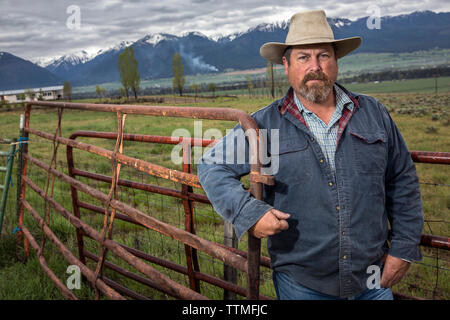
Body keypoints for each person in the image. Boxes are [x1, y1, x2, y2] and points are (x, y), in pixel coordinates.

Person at [197, 10, 424, 300]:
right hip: (302, 284)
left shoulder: (374, 113)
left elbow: (402, 179)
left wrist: (403, 249)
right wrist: (250, 213)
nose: (315, 67)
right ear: (286, 65)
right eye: (303, 57)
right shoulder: (263, 124)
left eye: (324, 56)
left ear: (336, 61)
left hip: (372, 279)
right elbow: (211, 165)